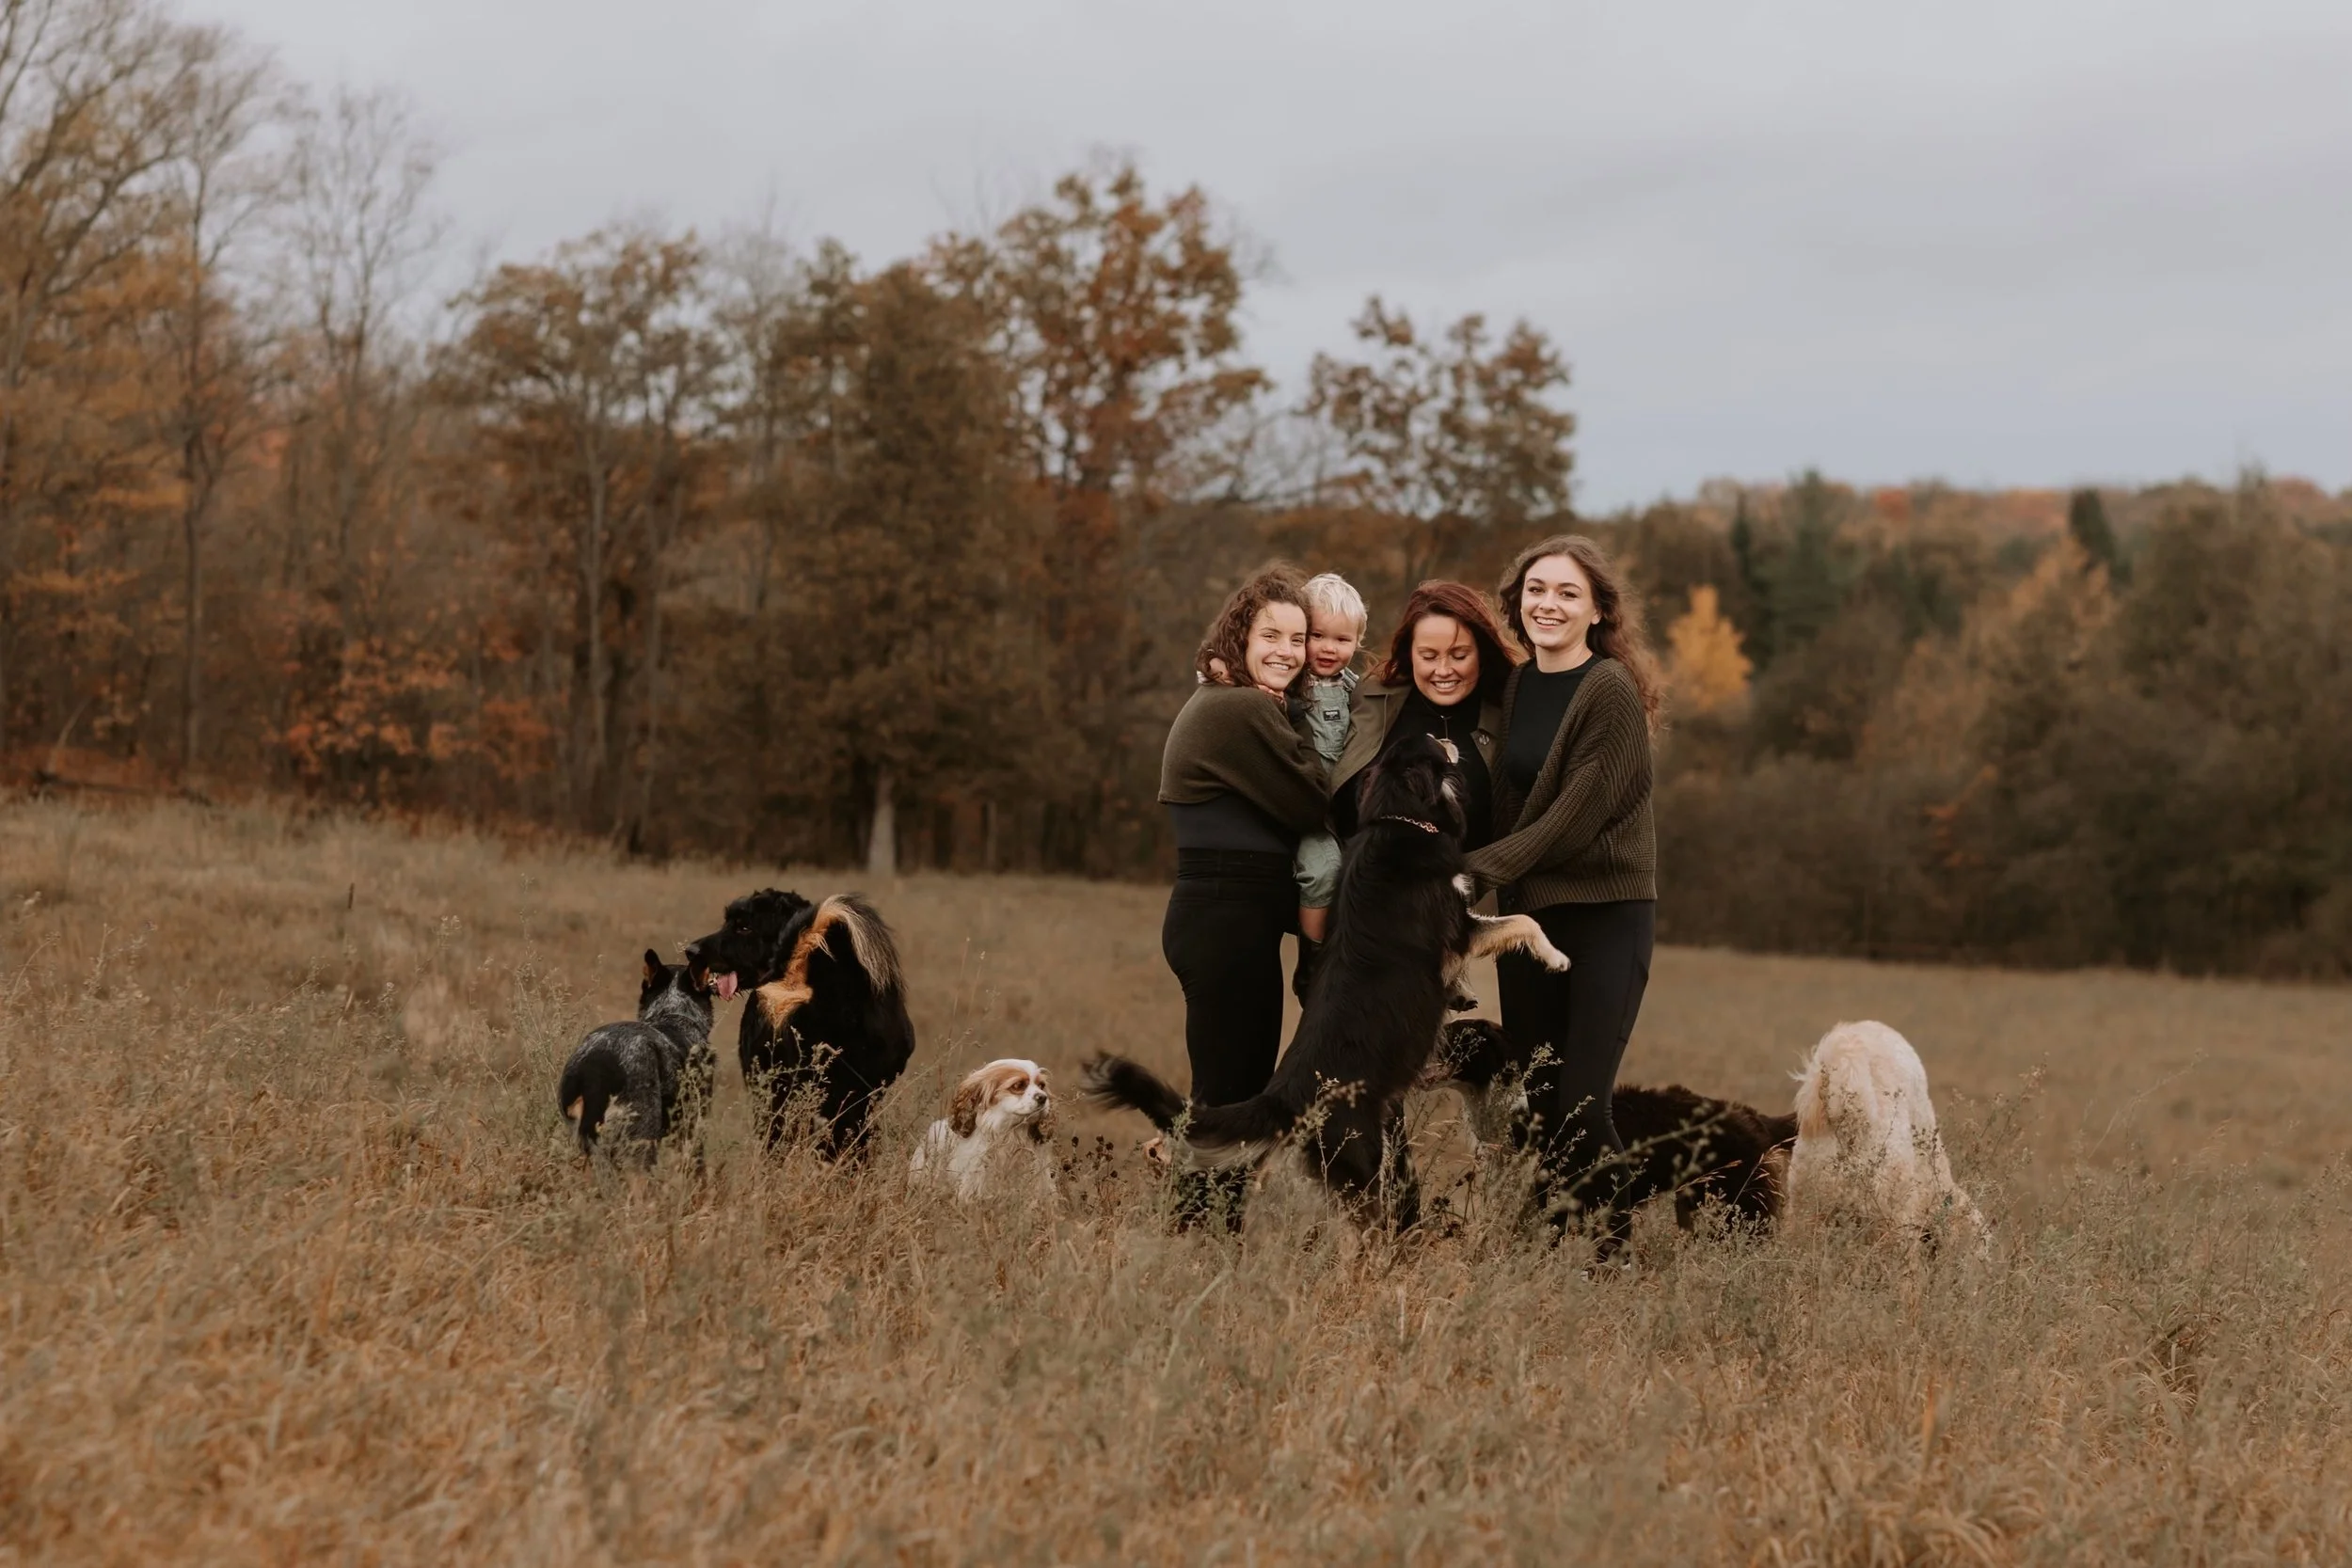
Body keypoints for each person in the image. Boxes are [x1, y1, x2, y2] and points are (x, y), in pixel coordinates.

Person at [1462, 535, 1663, 1251]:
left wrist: (1472, 871)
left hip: (1607, 915)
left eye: (1567, 592)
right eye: (1536, 589)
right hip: (1530, 918)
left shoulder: (1608, 689)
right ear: (1518, 601)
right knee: (1539, 1100)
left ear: (1598, 610)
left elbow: (1572, 817)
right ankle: (1550, 1251)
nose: (1548, 603)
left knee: (1581, 1101)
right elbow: (1503, 796)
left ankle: (1612, 1255)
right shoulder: (1518, 685)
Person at [1157, 564, 1329, 1226]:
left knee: (1236, 1086)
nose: (1287, 650)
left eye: (1298, 638)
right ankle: (1198, 1231)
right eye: (1272, 635)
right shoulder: (1241, 708)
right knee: (1230, 1093)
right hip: (1223, 916)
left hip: (1234, 914)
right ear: (1241, 635)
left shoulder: (1237, 701)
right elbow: (1314, 801)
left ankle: (1209, 1227)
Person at [1328, 580, 1516, 851]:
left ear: (1481, 653)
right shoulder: (1367, 697)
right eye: (1428, 656)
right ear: (1410, 654)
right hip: (1370, 884)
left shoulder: (1508, 710)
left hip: (1478, 886)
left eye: (1459, 655)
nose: (1443, 670)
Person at [1288, 572, 1366, 1001]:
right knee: (1323, 872)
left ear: (1357, 641)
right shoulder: (1288, 684)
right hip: (1308, 809)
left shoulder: (1357, 690)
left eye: (1342, 640)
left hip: (1346, 808)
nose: (1329, 649)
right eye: (1317, 636)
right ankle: (1313, 964)